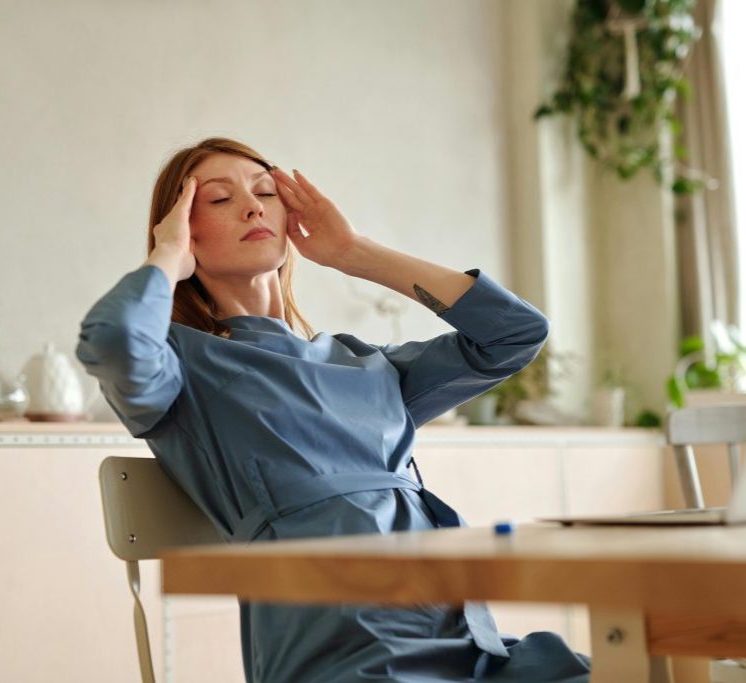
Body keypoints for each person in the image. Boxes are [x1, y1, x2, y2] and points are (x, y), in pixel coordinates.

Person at [76, 137, 591, 683]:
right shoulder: (182, 365)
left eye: (266, 192)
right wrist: (166, 258)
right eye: (220, 200)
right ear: (183, 228)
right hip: (344, 649)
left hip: (465, 638)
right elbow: (112, 340)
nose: (253, 207)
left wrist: (353, 253)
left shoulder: (361, 361)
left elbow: (515, 335)